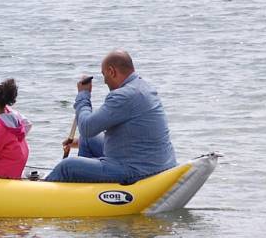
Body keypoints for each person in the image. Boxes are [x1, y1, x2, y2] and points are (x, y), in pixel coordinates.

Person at [45, 50, 177, 183]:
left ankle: (45, 193)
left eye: (104, 75)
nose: (105, 81)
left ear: (112, 71)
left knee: (66, 167)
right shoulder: (144, 86)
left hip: (138, 170)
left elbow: (86, 127)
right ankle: (84, 189)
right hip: (158, 162)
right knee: (86, 139)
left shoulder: (124, 95)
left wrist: (83, 95)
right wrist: (78, 142)